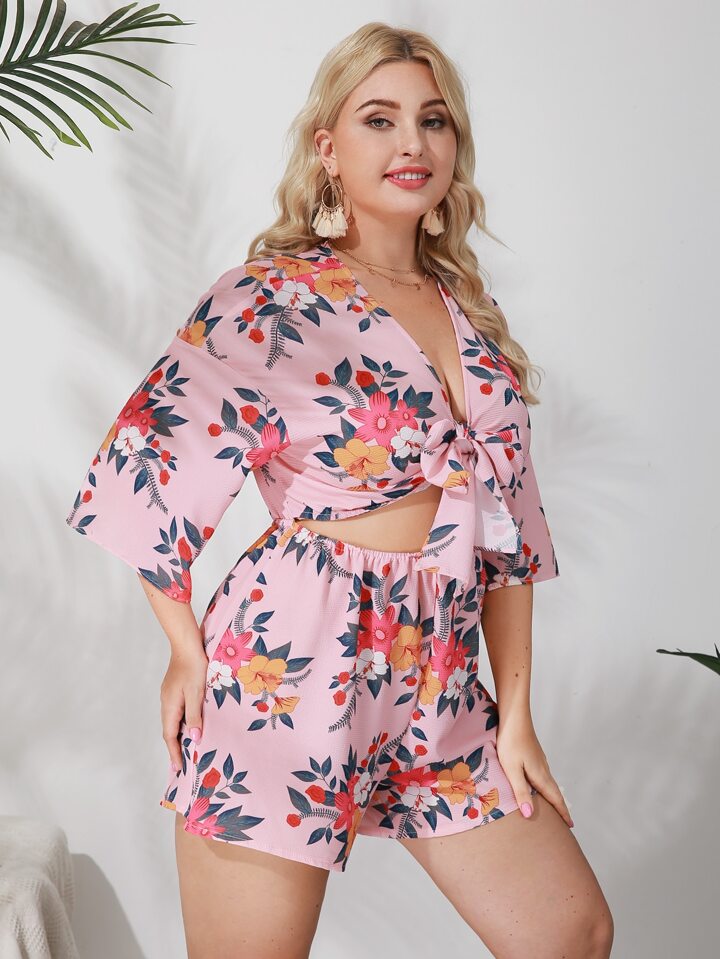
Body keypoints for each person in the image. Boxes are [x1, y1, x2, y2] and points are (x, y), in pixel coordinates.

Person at [65, 21, 613, 959]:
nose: (412, 143)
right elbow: (147, 464)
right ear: (327, 148)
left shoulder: (471, 313)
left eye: (434, 120)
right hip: (291, 656)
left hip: (440, 668)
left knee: (570, 931)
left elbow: (507, 532)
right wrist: (184, 647)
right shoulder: (270, 297)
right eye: (379, 119)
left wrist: (516, 716)